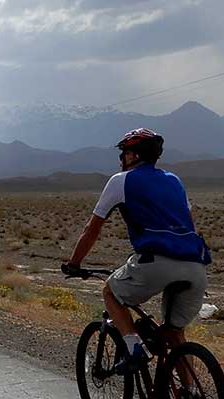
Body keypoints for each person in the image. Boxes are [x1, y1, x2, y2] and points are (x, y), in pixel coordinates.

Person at [62, 128, 211, 372]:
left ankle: (134, 348)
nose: (121, 160)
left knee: (111, 292)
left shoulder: (121, 181)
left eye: (124, 154)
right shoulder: (174, 180)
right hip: (195, 265)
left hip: (155, 261)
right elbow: (191, 225)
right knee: (175, 335)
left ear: (134, 156)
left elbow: (92, 228)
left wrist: (74, 263)